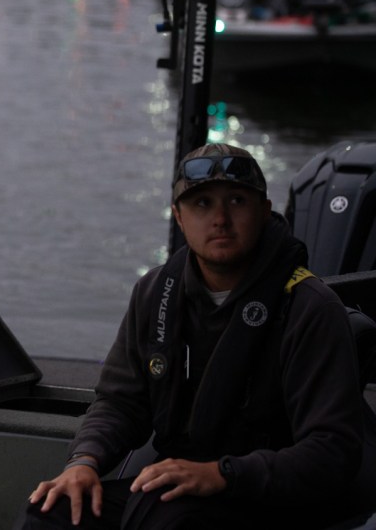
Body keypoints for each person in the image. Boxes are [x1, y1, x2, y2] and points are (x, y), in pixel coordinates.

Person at [20, 143, 370, 529]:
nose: (220, 219)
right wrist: (84, 462)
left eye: (237, 201)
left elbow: (332, 451)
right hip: (178, 486)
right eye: (202, 204)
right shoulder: (155, 293)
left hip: (270, 497)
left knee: (169, 516)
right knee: (52, 512)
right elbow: (120, 403)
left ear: (264, 211)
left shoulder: (308, 307)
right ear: (179, 217)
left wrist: (222, 474)